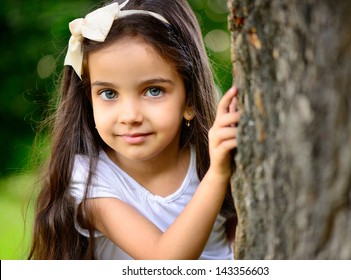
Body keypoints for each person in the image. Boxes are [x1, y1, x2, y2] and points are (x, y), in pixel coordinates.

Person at [29, 0, 240, 260]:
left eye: (153, 90)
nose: (130, 116)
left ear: (189, 100)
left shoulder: (211, 158)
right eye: (108, 93)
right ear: (89, 99)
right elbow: (164, 263)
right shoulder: (89, 178)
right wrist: (218, 175)